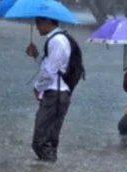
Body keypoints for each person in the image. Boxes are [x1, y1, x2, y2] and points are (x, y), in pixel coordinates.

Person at [25, 17, 84, 163]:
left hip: (55, 94)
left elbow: (50, 70)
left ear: (47, 22)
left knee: (41, 141)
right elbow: (50, 65)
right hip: (59, 93)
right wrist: (36, 55)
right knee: (49, 140)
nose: (37, 27)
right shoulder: (57, 39)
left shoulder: (57, 41)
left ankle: (45, 171)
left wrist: (37, 87)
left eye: (38, 23)